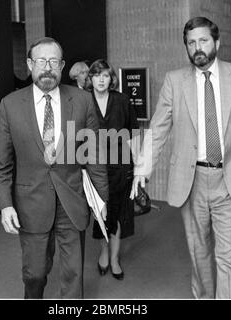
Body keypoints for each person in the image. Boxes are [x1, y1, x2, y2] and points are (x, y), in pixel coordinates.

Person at [130, 17, 231, 299]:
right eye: (191, 43)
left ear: (217, 42)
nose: (198, 48)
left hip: (229, 177)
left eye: (203, 40)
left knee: (228, 257)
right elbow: (157, 131)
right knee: (199, 254)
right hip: (191, 182)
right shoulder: (174, 81)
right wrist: (142, 170)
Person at [0, 37, 108, 299]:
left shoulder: (82, 101)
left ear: (62, 65)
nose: (47, 67)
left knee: (73, 275)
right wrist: (5, 204)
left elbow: (95, 154)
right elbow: (1, 162)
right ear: (30, 64)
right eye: (41, 61)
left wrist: (101, 199)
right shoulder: (10, 105)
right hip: (30, 203)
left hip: (72, 200)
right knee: (35, 273)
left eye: (53, 61)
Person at [86, 59, 139, 280]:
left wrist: (138, 169)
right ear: (91, 78)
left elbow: (134, 133)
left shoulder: (122, 100)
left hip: (120, 166)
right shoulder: (83, 101)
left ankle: (115, 258)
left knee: (117, 214)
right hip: (93, 167)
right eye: (97, 75)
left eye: (105, 75)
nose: (101, 79)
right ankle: (104, 252)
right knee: (100, 214)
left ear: (111, 79)